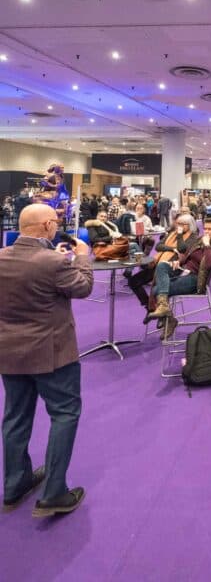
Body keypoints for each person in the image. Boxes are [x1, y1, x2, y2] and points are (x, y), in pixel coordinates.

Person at [0, 204, 93, 516]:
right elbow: (83, 287)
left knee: (15, 417)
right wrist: (82, 256)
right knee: (64, 414)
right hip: (52, 353)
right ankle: (54, 492)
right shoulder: (52, 261)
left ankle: (14, 485)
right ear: (48, 226)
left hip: (9, 352)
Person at [147, 219, 211, 339]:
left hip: (195, 280)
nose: (206, 231)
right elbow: (187, 255)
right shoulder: (199, 240)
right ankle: (166, 311)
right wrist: (177, 262)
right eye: (205, 228)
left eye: (210, 229)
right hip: (182, 271)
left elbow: (209, 263)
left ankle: (168, 318)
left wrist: (207, 245)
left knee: (156, 290)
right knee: (162, 265)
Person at [128, 214, 198, 311]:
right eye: (178, 223)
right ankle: (149, 306)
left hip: (173, 267)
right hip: (158, 263)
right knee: (133, 281)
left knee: (158, 288)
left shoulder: (193, 237)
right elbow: (158, 246)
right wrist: (172, 249)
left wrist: (180, 235)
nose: (179, 226)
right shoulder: (172, 233)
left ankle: (162, 314)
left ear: (189, 225)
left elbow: (182, 249)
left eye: (182, 224)